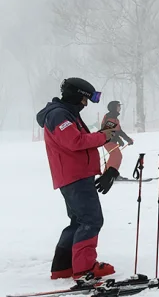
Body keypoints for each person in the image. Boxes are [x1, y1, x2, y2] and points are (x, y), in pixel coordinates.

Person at [36, 77, 118, 280]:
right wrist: (103, 136)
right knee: (91, 220)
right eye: (84, 100)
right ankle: (85, 268)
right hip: (75, 176)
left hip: (75, 175)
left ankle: (63, 267)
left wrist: (101, 135)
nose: (85, 105)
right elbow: (75, 141)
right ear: (76, 96)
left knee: (78, 221)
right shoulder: (59, 115)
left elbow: (75, 139)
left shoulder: (65, 113)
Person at [99, 100, 133, 175]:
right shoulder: (110, 117)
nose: (120, 108)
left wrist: (128, 139)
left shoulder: (115, 118)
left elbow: (119, 131)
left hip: (112, 141)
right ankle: (109, 175)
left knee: (116, 156)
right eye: (118, 106)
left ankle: (109, 174)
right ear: (114, 107)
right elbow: (108, 131)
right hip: (108, 141)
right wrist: (119, 139)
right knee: (116, 156)